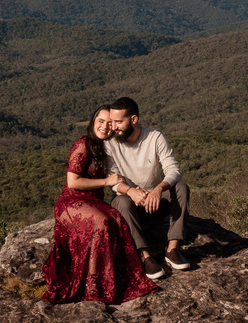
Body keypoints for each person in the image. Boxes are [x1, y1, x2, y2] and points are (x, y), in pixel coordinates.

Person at [41, 105, 160, 304]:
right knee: (102, 223)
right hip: (71, 202)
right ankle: (95, 285)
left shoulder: (107, 147)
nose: (104, 126)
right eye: (100, 121)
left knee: (116, 219)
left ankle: (118, 277)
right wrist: (106, 182)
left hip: (94, 201)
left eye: (109, 123)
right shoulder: (83, 143)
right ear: (93, 122)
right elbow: (73, 182)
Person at [105, 97, 192, 280]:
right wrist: (130, 191)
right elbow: (112, 180)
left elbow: (173, 169)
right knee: (119, 199)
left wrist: (158, 189)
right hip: (129, 205)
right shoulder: (110, 143)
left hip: (155, 203)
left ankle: (173, 249)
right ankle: (145, 257)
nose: (114, 127)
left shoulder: (154, 137)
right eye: (112, 122)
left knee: (181, 187)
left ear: (134, 119)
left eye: (118, 122)